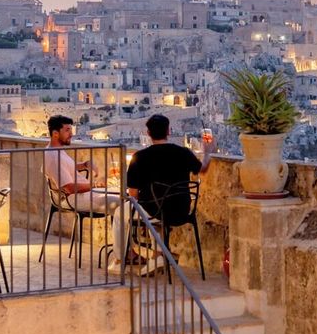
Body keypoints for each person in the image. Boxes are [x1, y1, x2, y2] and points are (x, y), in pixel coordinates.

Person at [44, 115, 131, 268]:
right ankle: (123, 255)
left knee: (124, 199)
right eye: (67, 130)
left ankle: (125, 251)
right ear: (55, 133)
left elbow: (68, 167)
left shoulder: (56, 150)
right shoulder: (53, 156)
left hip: (83, 193)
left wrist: (84, 164)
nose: (71, 134)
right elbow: (69, 188)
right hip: (72, 198)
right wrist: (94, 185)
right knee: (121, 203)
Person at [126, 114, 212, 243]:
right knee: (152, 210)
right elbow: (202, 169)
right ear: (168, 131)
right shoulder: (183, 152)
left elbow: (133, 195)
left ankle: (121, 258)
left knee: (119, 214)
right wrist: (207, 152)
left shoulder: (139, 157)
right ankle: (159, 255)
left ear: (148, 133)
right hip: (181, 210)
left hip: (154, 211)